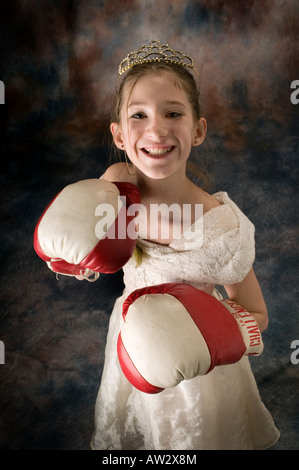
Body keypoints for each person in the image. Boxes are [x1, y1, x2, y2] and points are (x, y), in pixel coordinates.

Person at [90, 40, 280, 450]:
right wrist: (77, 258)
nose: (156, 129)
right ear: (119, 135)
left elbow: (258, 313)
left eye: (173, 113)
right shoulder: (116, 186)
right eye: (138, 115)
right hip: (132, 346)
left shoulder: (222, 227)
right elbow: (99, 248)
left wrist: (211, 338)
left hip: (203, 372)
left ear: (198, 129)